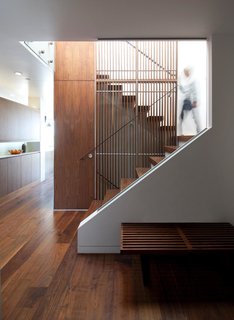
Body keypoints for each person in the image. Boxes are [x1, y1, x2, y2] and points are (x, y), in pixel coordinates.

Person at [179, 67, 201, 134]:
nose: (185, 73)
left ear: (189, 72)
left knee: (195, 117)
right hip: (187, 100)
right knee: (182, 116)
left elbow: (195, 91)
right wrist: (179, 85)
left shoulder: (193, 80)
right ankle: (180, 132)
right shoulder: (185, 80)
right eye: (185, 72)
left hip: (192, 101)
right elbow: (184, 90)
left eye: (186, 72)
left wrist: (195, 101)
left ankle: (199, 131)